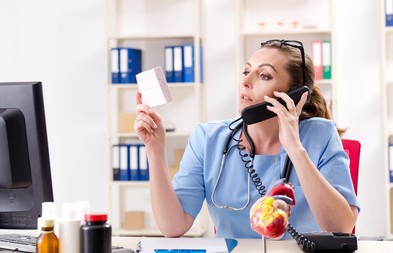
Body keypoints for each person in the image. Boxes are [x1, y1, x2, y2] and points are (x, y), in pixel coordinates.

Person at [134, 39, 359, 239]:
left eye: (264, 75)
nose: (246, 81)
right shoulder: (207, 138)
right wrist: (155, 149)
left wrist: (295, 149)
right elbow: (173, 227)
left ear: (295, 95)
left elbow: (341, 228)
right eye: (246, 72)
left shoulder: (320, 135)